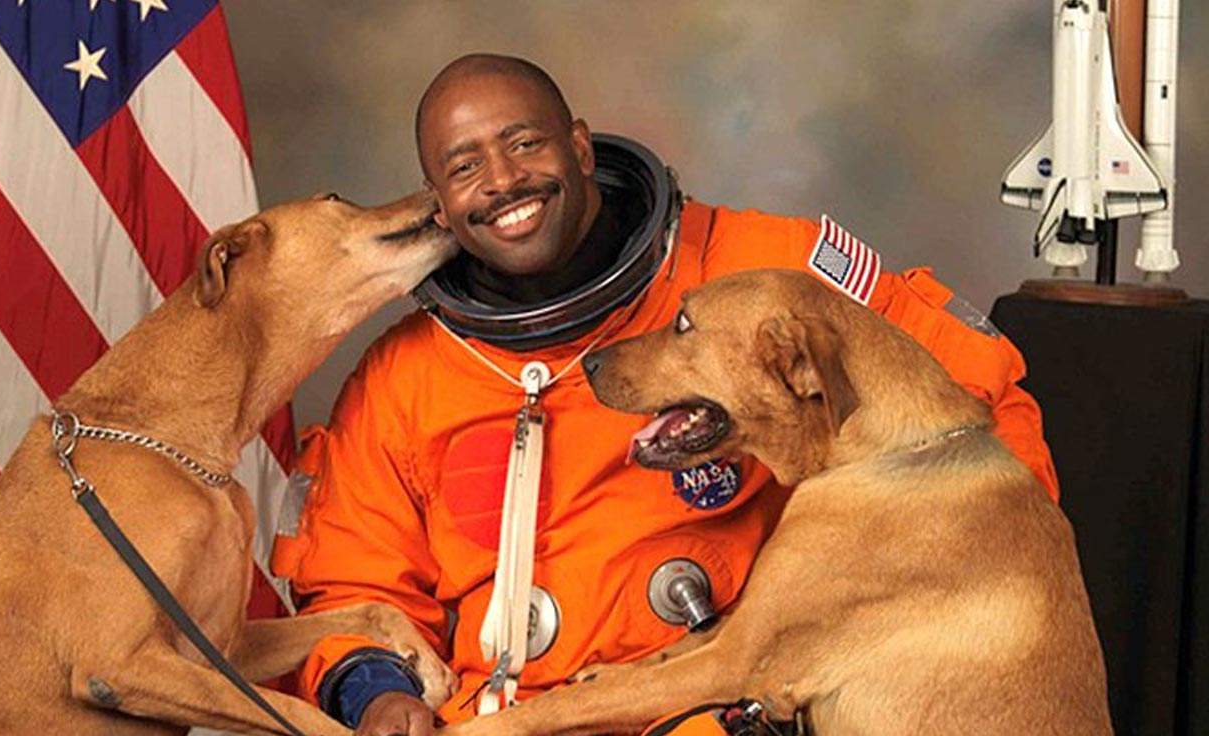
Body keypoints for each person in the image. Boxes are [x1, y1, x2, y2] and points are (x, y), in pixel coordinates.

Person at [270, 54, 1060, 736]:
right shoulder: (402, 378)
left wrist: (956, 596)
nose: (504, 180)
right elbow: (350, 581)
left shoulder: (763, 276)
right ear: (439, 203)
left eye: (524, 143)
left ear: (579, 147)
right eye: (466, 165)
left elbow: (973, 399)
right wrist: (375, 691)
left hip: (708, 706)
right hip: (491, 712)